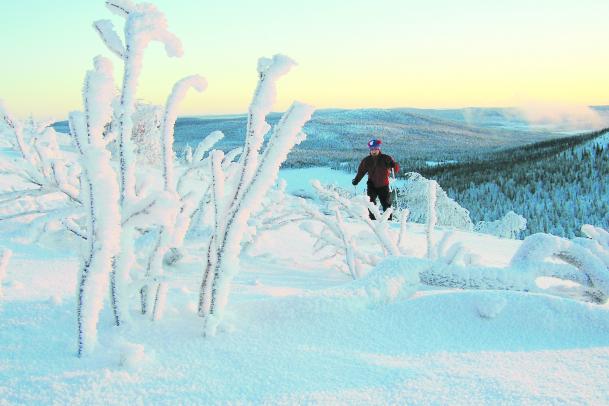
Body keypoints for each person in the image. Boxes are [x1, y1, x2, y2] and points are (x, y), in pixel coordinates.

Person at [352, 139, 400, 220]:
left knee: (386, 204)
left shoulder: (386, 158)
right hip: (371, 185)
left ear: (379, 149)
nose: (374, 151)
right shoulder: (366, 160)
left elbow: (395, 169)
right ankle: (373, 220)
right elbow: (361, 172)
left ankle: (388, 221)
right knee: (370, 203)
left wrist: (394, 165)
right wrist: (356, 180)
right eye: (372, 149)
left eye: (375, 149)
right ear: (370, 150)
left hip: (383, 185)